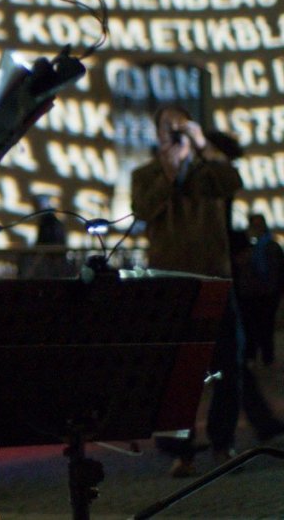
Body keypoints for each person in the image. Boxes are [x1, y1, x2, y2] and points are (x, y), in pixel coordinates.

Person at [131, 105, 284, 476]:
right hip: (169, 284)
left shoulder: (210, 172)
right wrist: (169, 174)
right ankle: (181, 451)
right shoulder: (146, 174)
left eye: (181, 125)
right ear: (158, 135)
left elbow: (232, 180)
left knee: (229, 365)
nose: (176, 133)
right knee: (176, 371)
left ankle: (221, 443)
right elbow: (142, 209)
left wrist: (202, 146)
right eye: (169, 128)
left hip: (215, 281)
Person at [239, 214, 284, 366]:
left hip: (267, 294)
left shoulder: (272, 247)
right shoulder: (249, 247)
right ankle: (255, 356)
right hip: (251, 294)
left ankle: (266, 357)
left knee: (266, 326)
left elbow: (278, 271)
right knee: (251, 327)